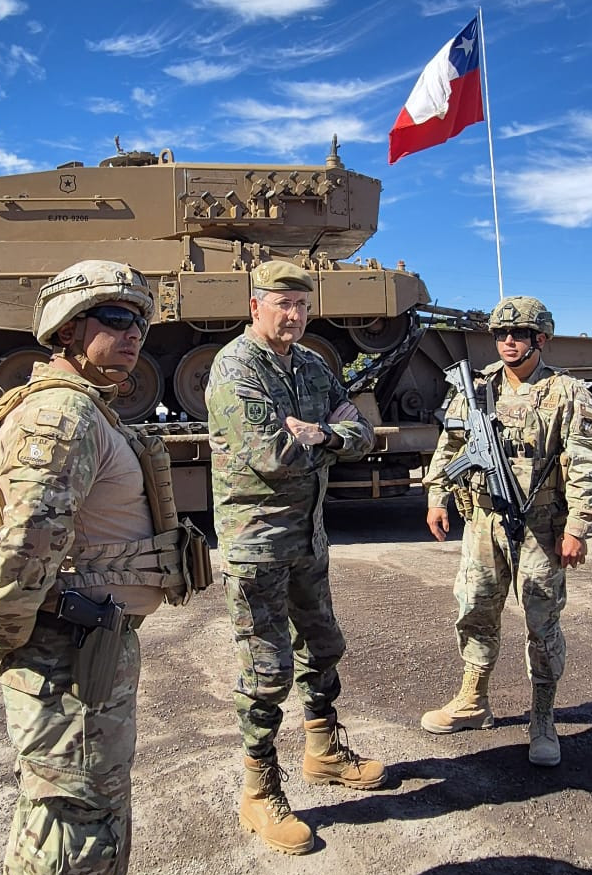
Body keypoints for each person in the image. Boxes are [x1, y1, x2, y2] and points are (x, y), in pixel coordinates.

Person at [0, 259, 200, 875]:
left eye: (142, 323)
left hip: (88, 643)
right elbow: (29, 540)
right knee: (77, 820)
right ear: (67, 328)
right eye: (117, 318)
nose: (134, 335)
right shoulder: (61, 416)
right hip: (68, 653)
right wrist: (2, 637)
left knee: (78, 813)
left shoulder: (88, 410)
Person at [205, 260, 385, 855]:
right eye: (282, 303)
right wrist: (320, 438)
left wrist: (324, 434)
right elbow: (271, 454)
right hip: (256, 543)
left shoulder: (312, 366)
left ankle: (324, 751)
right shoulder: (235, 368)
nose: (294, 314)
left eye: (302, 305)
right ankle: (259, 792)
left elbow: (360, 430)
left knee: (323, 646)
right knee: (266, 671)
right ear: (254, 305)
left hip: (307, 536)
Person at [420, 296, 592, 767]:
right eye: (502, 334)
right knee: (475, 610)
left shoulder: (566, 392)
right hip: (483, 521)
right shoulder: (475, 387)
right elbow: (451, 443)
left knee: (542, 625)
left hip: (541, 527)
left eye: (519, 334)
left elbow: (587, 461)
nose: (508, 341)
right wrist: (436, 496)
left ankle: (542, 718)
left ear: (540, 338)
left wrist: (579, 527)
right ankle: (473, 701)